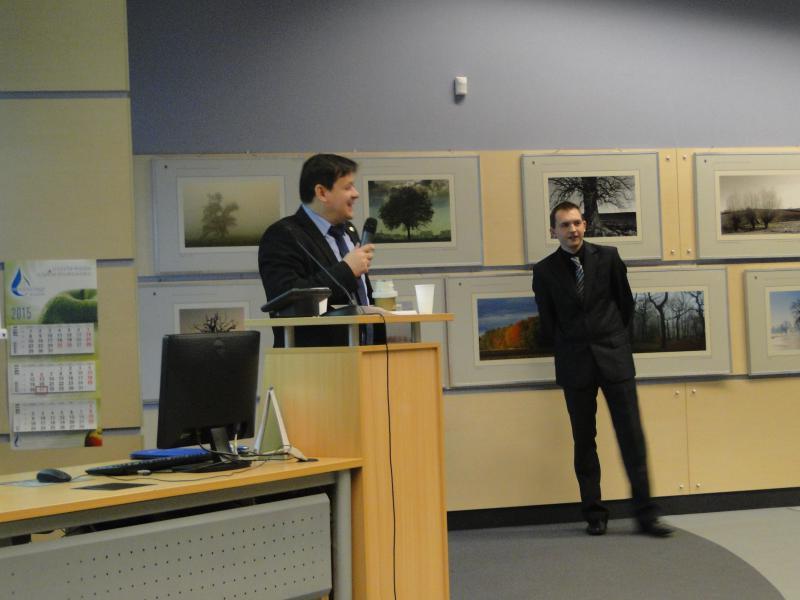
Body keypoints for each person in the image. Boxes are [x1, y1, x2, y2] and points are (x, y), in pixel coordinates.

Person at [532, 200, 673, 538]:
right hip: (575, 364)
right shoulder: (545, 271)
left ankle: (646, 516)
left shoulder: (608, 257)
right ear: (553, 231)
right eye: (565, 225)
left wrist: (613, 341)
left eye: (577, 223)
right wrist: (572, 344)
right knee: (584, 441)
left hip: (614, 359)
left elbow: (625, 305)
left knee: (632, 438)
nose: (573, 230)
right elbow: (548, 322)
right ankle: (594, 514)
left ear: (585, 224)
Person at [258, 153, 383, 347]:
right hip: (313, 359)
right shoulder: (283, 235)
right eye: (348, 187)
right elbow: (287, 299)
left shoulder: (348, 232)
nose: (356, 193)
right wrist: (347, 270)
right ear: (322, 192)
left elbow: (359, 298)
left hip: (364, 355)